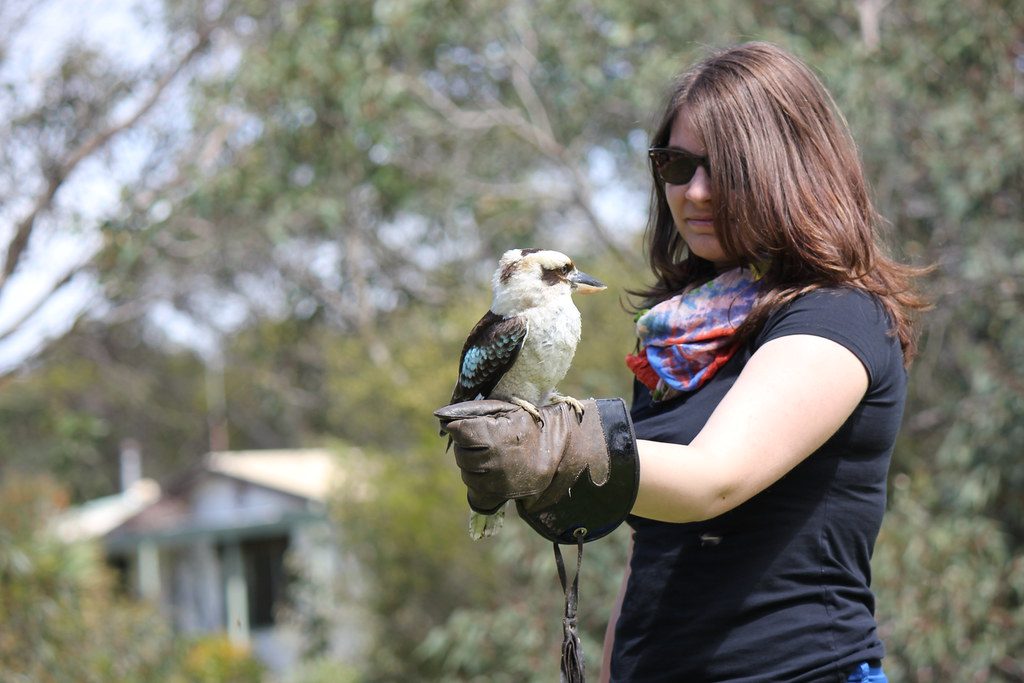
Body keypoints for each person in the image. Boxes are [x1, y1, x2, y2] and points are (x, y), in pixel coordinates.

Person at [435, 41, 928, 683]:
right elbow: (651, 554)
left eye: (722, 167)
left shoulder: (836, 317)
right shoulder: (678, 334)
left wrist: (556, 445)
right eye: (675, 164)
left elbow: (711, 480)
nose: (694, 192)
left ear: (791, 169)